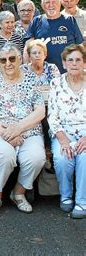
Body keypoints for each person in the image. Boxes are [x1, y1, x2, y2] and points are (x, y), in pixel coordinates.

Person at [0, 43, 45, 217]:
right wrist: (6, 133)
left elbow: (40, 111)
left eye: (12, 58)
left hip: (27, 130)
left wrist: (18, 128)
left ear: (19, 59)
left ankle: (18, 193)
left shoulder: (32, 78)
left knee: (36, 157)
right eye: (3, 60)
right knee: (5, 154)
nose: (8, 63)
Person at [48, 44, 85, 219]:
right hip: (63, 132)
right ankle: (66, 195)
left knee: (84, 157)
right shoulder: (56, 83)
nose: (74, 63)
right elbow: (52, 116)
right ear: (64, 63)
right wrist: (63, 140)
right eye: (70, 60)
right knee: (63, 157)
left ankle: (82, 201)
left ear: (84, 62)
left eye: (78, 60)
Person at [24, 0, 83, 73]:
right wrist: (28, 71)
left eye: (54, 2)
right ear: (42, 5)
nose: (50, 5)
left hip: (69, 72)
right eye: (47, 2)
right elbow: (27, 48)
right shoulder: (36, 21)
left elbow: (80, 46)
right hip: (44, 74)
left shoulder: (69, 20)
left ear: (60, 3)